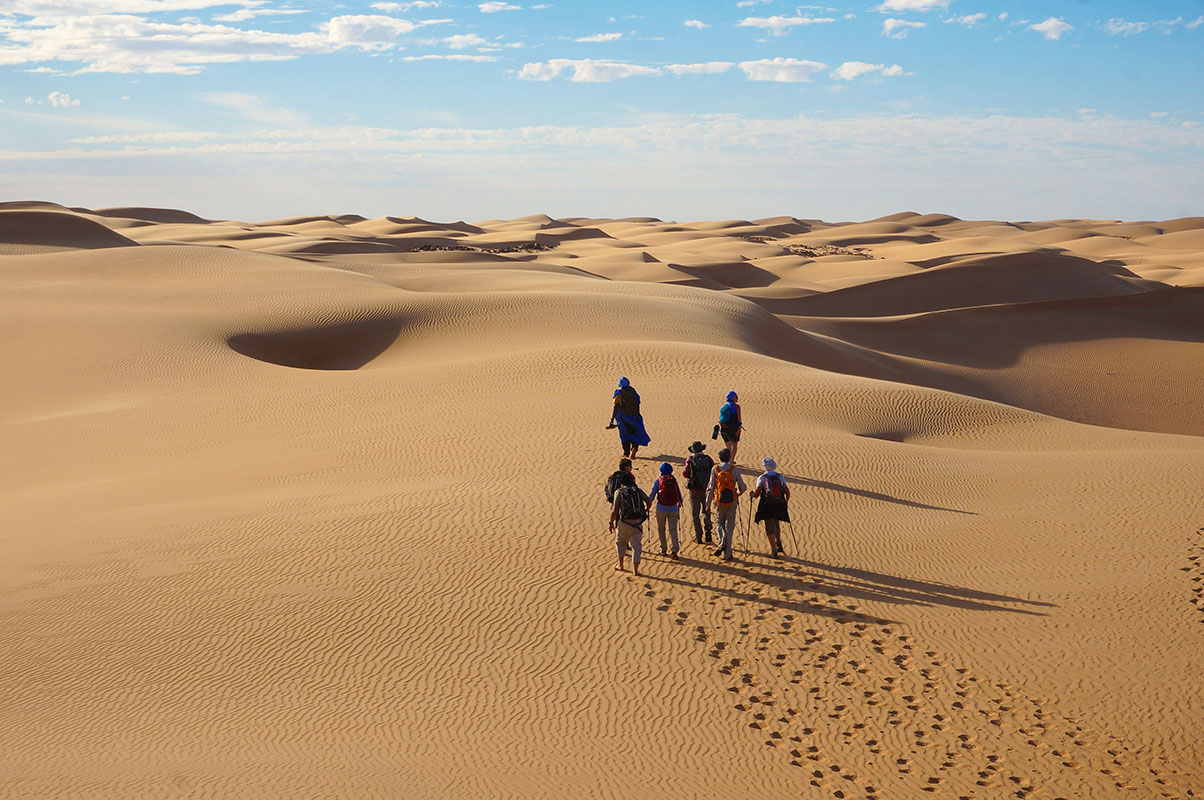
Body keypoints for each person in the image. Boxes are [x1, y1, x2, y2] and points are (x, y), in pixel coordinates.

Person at [706, 447, 746, 561]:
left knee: (719, 523)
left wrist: (707, 504)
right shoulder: (734, 469)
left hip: (718, 500)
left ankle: (722, 540)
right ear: (729, 458)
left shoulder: (715, 469)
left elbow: (710, 487)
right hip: (732, 501)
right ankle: (728, 553)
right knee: (730, 526)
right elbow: (743, 487)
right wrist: (737, 494)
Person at [609, 472, 649, 575]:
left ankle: (620, 565)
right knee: (636, 546)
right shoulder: (638, 491)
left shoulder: (619, 492)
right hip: (637, 522)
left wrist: (611, 522)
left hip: (623, 522)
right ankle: (635, 571)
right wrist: (645, 510)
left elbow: (615, 509)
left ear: (621, 483)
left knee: (620, 542)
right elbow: (649, 501)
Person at [750, 457, 791, 558]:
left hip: (767, 504)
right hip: (779, 503)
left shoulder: (762, 478)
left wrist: (752, 495)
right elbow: (787, 491)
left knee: (769, 526)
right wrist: (785, 502)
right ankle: (779, 542)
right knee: (776, 523)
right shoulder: (780, 477)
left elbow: (757, 493)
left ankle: (774, 550)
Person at [646, 462, 683, 559]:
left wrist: (647, 505)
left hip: (661, 508)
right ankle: (675, 549)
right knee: (673, 530)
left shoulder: (658, 481)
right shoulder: (673, 480)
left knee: (661, 529)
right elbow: (678, 493)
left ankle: (663, 549)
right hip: (673, 508)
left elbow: (652, 495)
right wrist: (679, 502)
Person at [607, 377, 651, 459]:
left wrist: (612, 419)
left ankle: (626, 453)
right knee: (634, 433)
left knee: (624, 435)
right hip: (634, 417)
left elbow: (616, 406)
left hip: (622, 418)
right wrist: (637, 416)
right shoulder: (633, 392)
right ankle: (634, 448)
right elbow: (638, 403)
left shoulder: (619, 393)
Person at [682, 441, 715, 544]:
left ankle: (698, 535)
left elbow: (685, 474)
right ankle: (708, 531)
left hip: (694, 490)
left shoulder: (690, 459)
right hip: (707, 490)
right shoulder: (708, 459)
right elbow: (713, 472)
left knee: (695, 514)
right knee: (706, 511)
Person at [717, 391, 743, 462]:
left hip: (724, 428)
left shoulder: (723, 406)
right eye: (736, 397)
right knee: (734, 445)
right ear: (733, 398)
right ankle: (731, 460)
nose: (737, 398)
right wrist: (739, 429)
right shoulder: (737, 407)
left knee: (728, 446)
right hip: (734, 428)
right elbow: (739, 418)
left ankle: (728, 460)